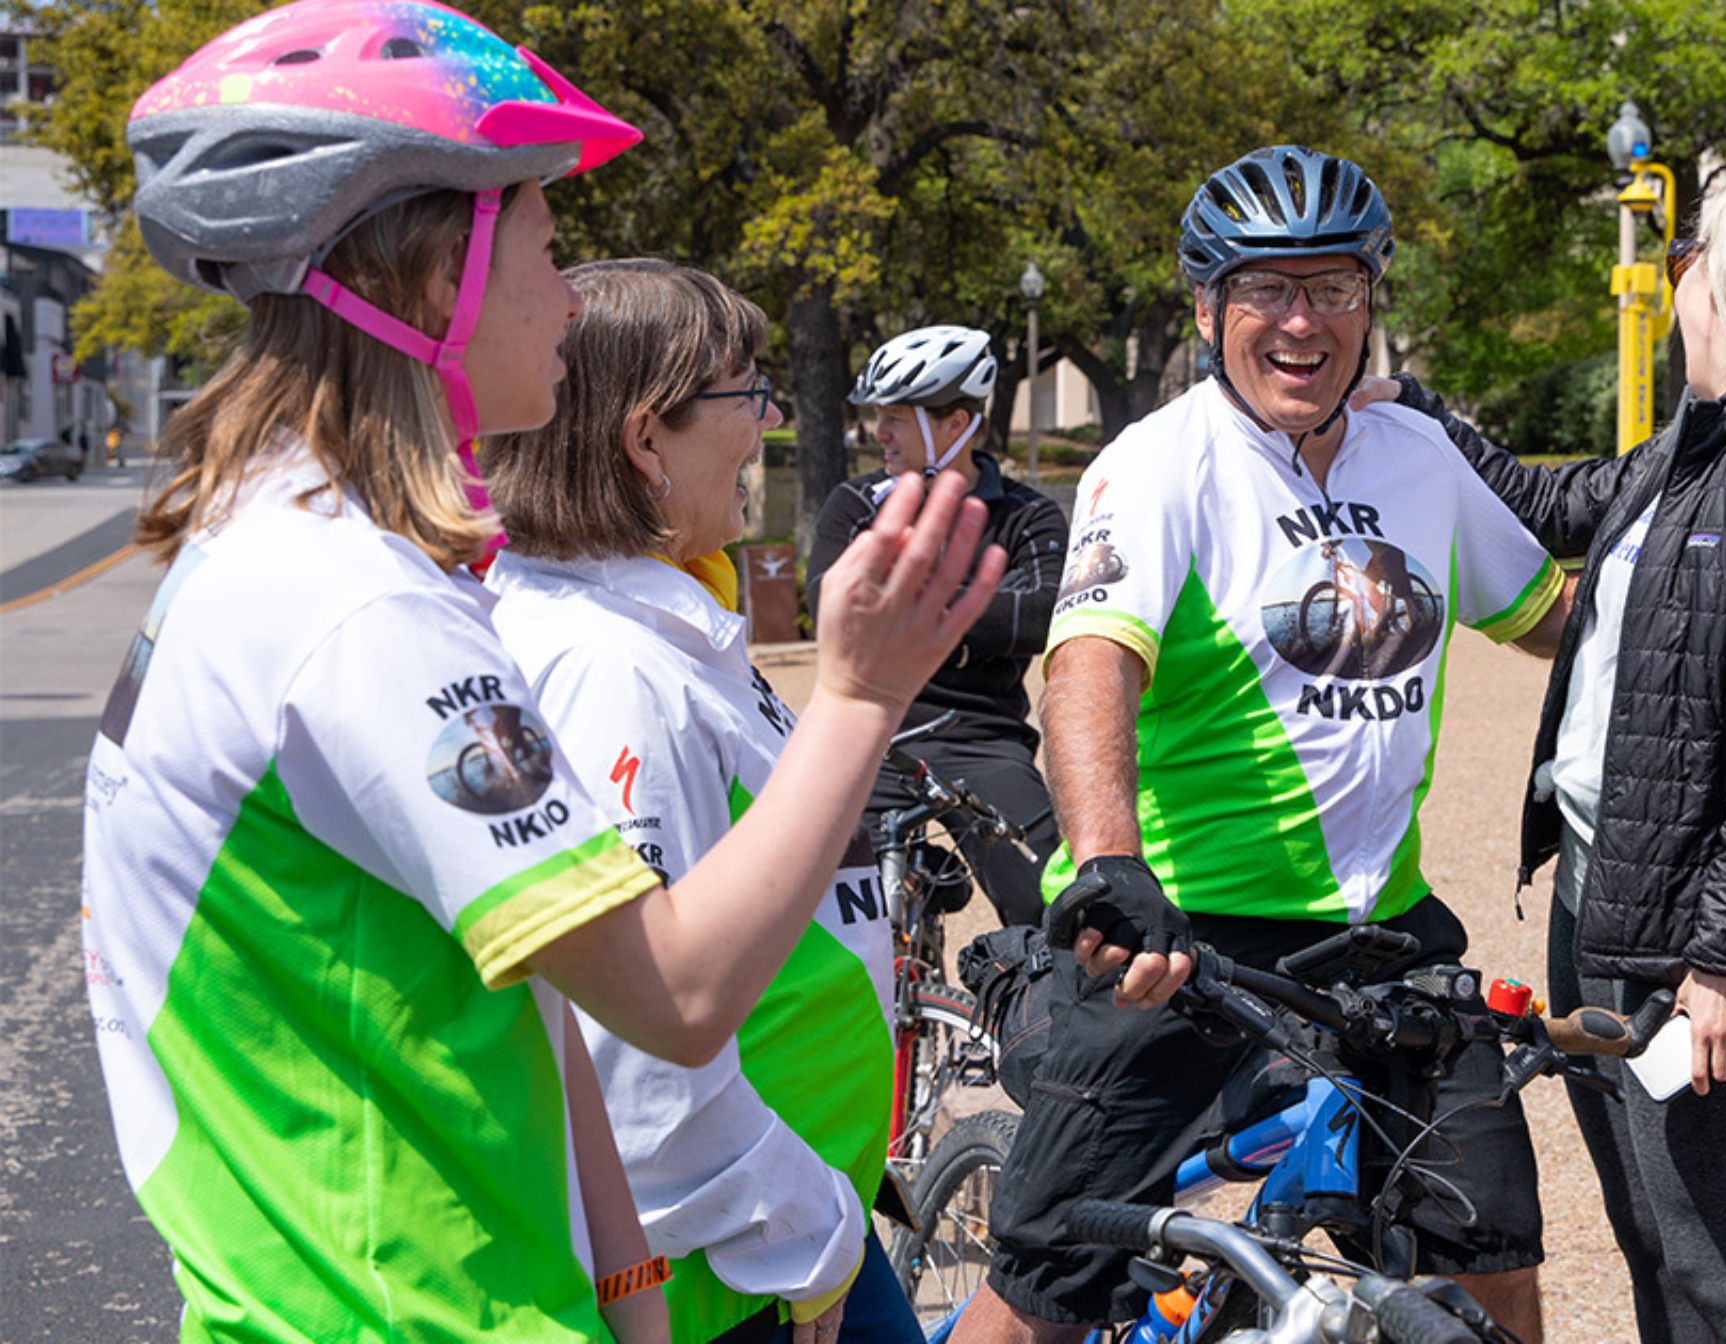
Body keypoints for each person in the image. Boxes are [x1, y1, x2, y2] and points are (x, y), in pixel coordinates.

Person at [82, 5, 999, 1340]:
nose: (570, 298)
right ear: (429, 276)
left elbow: (543, 1014)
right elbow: (671, 1001)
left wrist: (628, 1293)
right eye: (548, 246)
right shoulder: (356, 608)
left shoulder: (279, 553)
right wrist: (862, 695)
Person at [952, 144, 1571, 1344]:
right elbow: (1088, 664)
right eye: (1264, 289)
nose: (1302, 320)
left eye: (1333, 286)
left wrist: (1709, 619)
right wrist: (1107, 864)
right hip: (1182, 942)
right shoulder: (1159, 464)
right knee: (1046, 1281)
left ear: (1370, 299)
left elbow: (1553, 617)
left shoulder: (1421, 458)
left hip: (1386, 933)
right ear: (1206, 307)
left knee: (1491, 1265)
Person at [1369, 166, 1726, 1344]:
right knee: (1646, 1235)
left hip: (1696, 934)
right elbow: (1541, 497)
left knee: (1712, 1257)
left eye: (1691, 252)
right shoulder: (1683, 445)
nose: (1675, 275)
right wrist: (1409, 404)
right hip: (1602, 892)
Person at [481, 260, 923, 1344]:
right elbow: (628, 1053)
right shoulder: (612, 674)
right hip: (737, 1265)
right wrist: (798, 1230)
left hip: (781, 1226)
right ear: (645, 439)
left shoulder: (656, 629)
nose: (770, 423)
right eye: (746, 395)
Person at [810, 324, 1067, 926]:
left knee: (1057, 909)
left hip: (981, 738)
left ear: (956, 425)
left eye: (896, 417)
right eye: (879, 416)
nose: (879, 434)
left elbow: (1043, 614)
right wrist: (979, 606)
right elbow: (832, 607)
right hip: (866, 734)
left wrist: (901, 599)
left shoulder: (1029, 515)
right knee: (820, 916)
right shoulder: (854, 503)